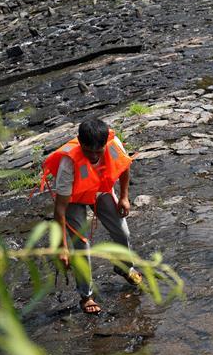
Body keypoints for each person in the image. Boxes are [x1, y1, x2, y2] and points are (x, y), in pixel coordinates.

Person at [40, 118, 142, 315]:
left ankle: (124, 267)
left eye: (98, 151)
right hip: (73, 199)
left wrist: (124, 197)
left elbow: (124, 166)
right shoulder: (68, 164)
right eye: (88, 151)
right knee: (81, 245)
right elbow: (59, 209)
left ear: (105, 144)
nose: (94, 156)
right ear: (80, 142)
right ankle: (86, 296)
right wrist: (62, 247)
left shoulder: (113, 145)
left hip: (99, 189)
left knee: (122, 231)